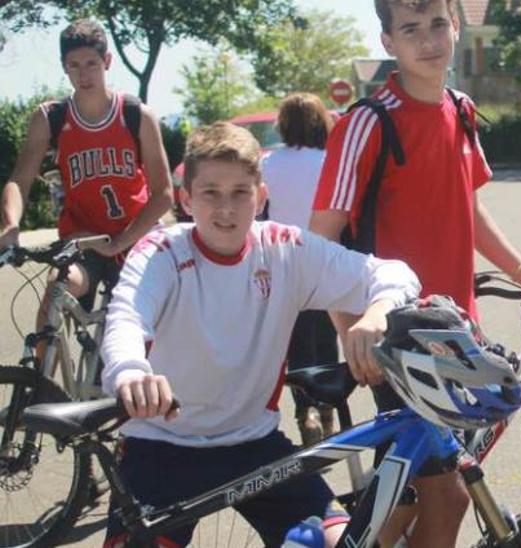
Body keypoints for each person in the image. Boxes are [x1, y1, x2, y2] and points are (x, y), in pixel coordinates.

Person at [307, 1, 521, 545]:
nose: (429, 40)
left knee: (409, 496)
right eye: (411, 29)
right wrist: (351, 336)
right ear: (388, 42)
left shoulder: (459, 108)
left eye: (438, 24)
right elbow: (321, 243)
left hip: (454, 332)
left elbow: (469, 208)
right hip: (398, 342)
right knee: (449, 492)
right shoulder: (367, 122)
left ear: (457, 26)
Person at [100, 122, 421, 547]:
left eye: (240, 192)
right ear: (185, 198)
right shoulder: (160, 251)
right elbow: (125, 317)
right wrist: (130, 371)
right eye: (210, 192)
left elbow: (393, 273)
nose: (226, 209)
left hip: (253, 443)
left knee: (337, 544)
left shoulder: (285, 248)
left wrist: (377, 314)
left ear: (262, 196)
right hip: (160, 445)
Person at [0, 19, 173, 332]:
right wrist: (11, 224)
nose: (84, 74)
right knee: (57, 287)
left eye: (92, 63)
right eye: (74, 65)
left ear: (107, 61)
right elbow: (19, 179)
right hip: (84, 242)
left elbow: (163, 195)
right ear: (64, 67)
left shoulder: (137, 115)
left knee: (134, 330)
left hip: (135, 241)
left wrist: (119, 242)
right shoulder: (51, 118)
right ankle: (37, 380)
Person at [261, 92, 340, 446]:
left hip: (284, 264)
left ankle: (303, 411)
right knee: (326, 340)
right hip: (325, 261)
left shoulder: (269, 163)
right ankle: (328, 409)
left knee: (295, 345)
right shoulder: (331, 163)